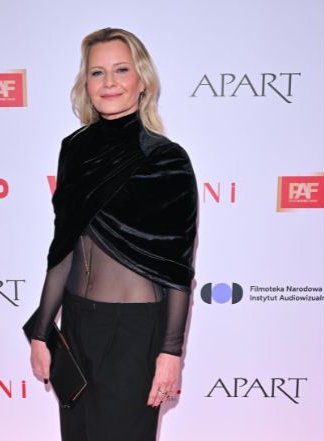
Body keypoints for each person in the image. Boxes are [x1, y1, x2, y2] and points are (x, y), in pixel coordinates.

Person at [27, 28, 197, 441]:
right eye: (97, 72)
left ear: (142, 80)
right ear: (85, 83)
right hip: (77, 324)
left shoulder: (165, 158)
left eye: (121, 70)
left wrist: (170, 352)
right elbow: (63, 247)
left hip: (134, 331)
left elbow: (177, 268)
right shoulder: (74, 149)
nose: (109, 82)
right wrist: (41, 330)